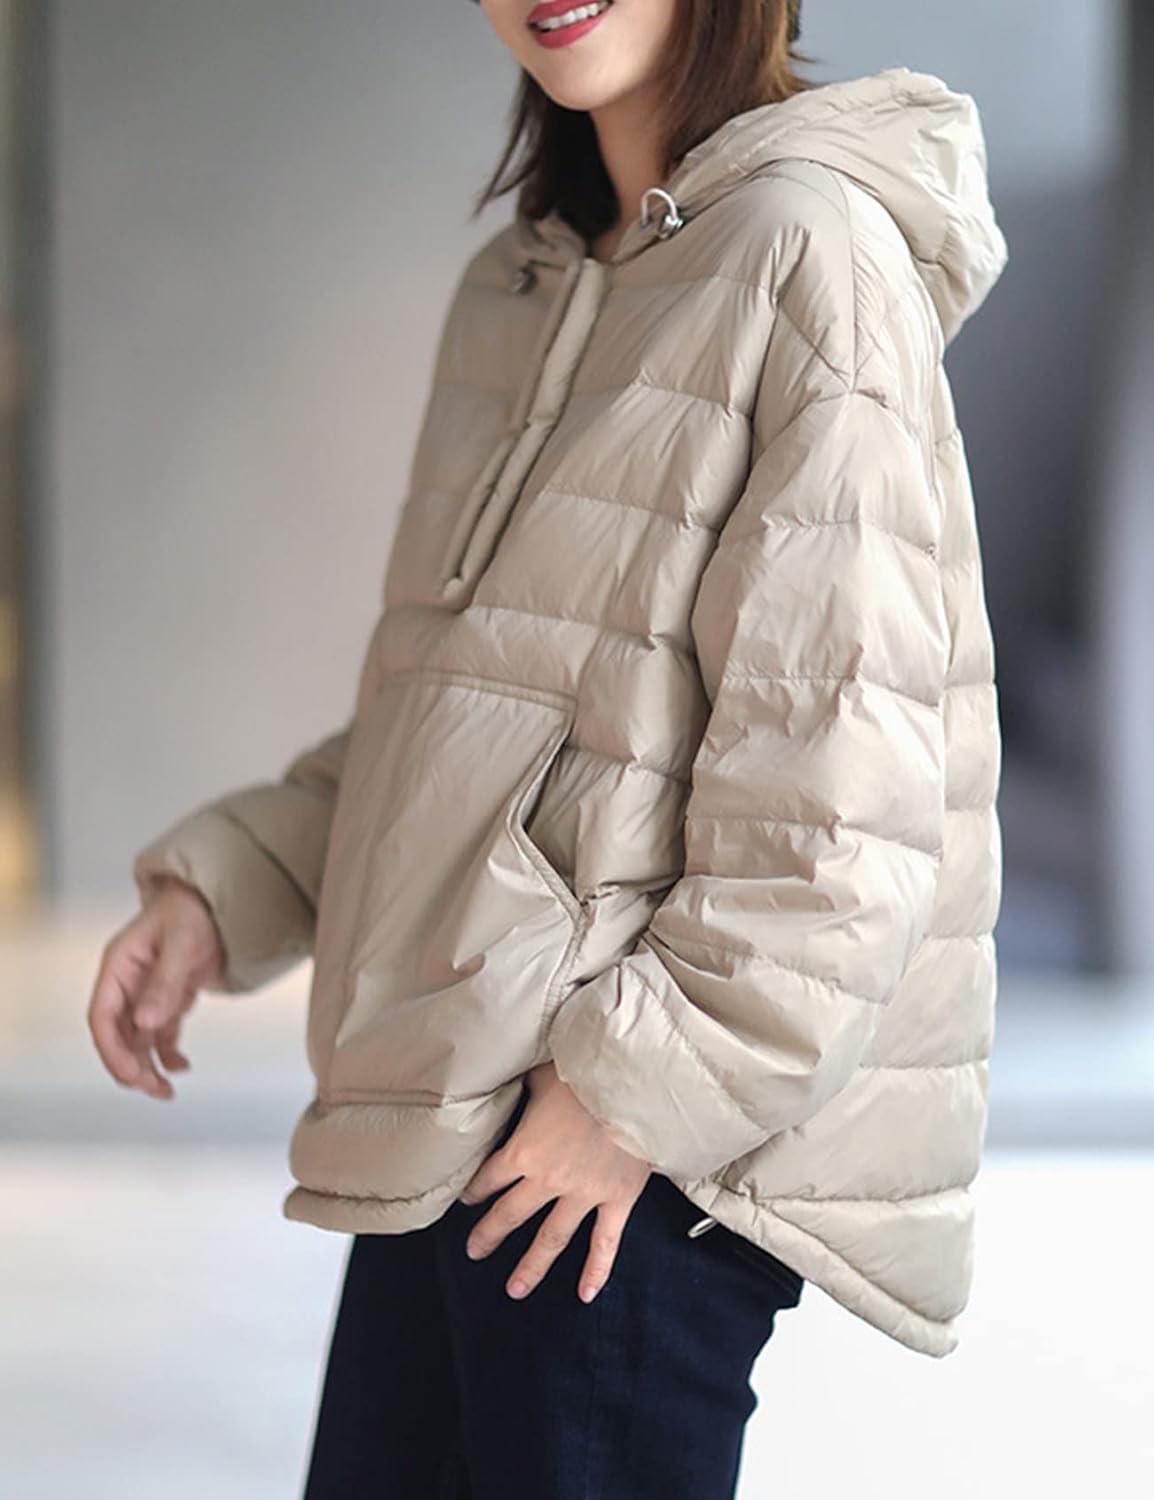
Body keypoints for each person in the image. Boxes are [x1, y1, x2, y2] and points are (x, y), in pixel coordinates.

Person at [87, 1, 1009, 1494]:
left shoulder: (809, 250)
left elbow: (844, 795)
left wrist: (625, 1102)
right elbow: (456, 715)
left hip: (616, 1148)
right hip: (455, 1091)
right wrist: (224, 887)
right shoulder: (519, 282)